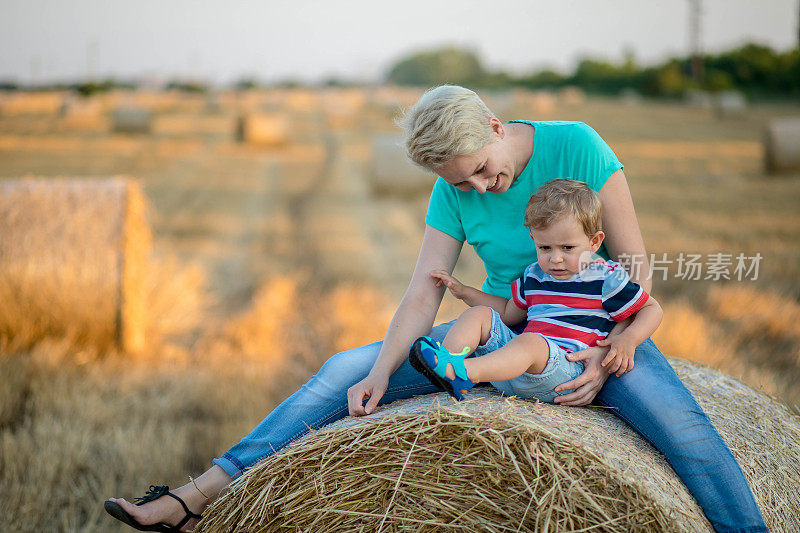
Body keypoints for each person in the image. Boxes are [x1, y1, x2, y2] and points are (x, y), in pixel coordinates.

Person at [105, 85, 767, 532]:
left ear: (497, 129)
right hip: (510, 325)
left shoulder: (578, 146)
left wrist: (606, 349)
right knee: (343, 369)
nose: (479, 187)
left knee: (688, 440)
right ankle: (191, 501)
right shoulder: (452, 192)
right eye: (461, 182)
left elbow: (635, 268)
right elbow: (425, 287)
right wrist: (382, 370)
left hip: (599, 328)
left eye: (481, 168)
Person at [409, 179, 663, 404]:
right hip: (515, 368)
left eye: (567, 248)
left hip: (564, 369)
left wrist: (628, 339)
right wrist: (466, 292)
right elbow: (508, 314)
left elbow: (652, 309)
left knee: (530, 342)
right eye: (545, 248)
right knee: (480, 314)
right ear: (534, 240)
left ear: (594, 242)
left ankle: (465, 371)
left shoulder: (605, 278)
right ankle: (447, 367)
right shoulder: (534, 275)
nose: (556, 259)